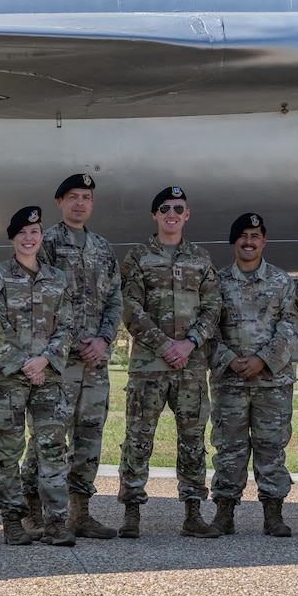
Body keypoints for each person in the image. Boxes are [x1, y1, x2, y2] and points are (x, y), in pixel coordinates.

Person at [19, 174, 122, 541]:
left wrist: (104, 339)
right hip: (58, 360)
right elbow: (39, 297)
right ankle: (32, 510)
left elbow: (114, 300)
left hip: (96, 361)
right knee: (48, 436)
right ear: (59, 202)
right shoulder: (44, 244)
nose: (81, 203)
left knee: (90, 436)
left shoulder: (103, 247)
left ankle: (81, 513)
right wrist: (76, 339)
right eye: (73, 197)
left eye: (87, 197)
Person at [117, 186, 221, 539]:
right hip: (149, 366)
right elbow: (130, 308)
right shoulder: (138, 258)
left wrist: (189, 343)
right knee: (138, 439)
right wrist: (165, 346)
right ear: (155, 215)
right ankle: (131, 513)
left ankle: (193, 513)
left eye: (179, 208)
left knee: (192, 439)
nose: (172, 213)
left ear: (187, 215)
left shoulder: (201, 260)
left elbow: (212, 307)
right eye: (165, 208)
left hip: (190, 366)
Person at [0, 206, 75, 546]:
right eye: (22, 232)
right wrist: (25, 363)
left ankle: (55, 523)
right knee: (9, 450)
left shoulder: (57, 278)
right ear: (12, 238)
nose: (29, 238)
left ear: (40, 237)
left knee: (52, 448)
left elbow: (66, 325)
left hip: (48, 376)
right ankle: (12, 521)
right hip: (8, 377)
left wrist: (45, 361)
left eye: (34, 232)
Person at [208, 212, 298, 538]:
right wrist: (229, 360)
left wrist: (263, 360)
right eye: (243, 236)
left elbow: (290, 328)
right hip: (230, 383)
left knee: (271, 448)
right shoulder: (216, 283)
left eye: (255, 235)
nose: (249, 241)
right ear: (234, 241)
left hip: (271, 383)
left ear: (263, 241)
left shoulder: (282, 282)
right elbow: (207, 330)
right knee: (228, 448)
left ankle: (273, 515)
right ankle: (224, 513)